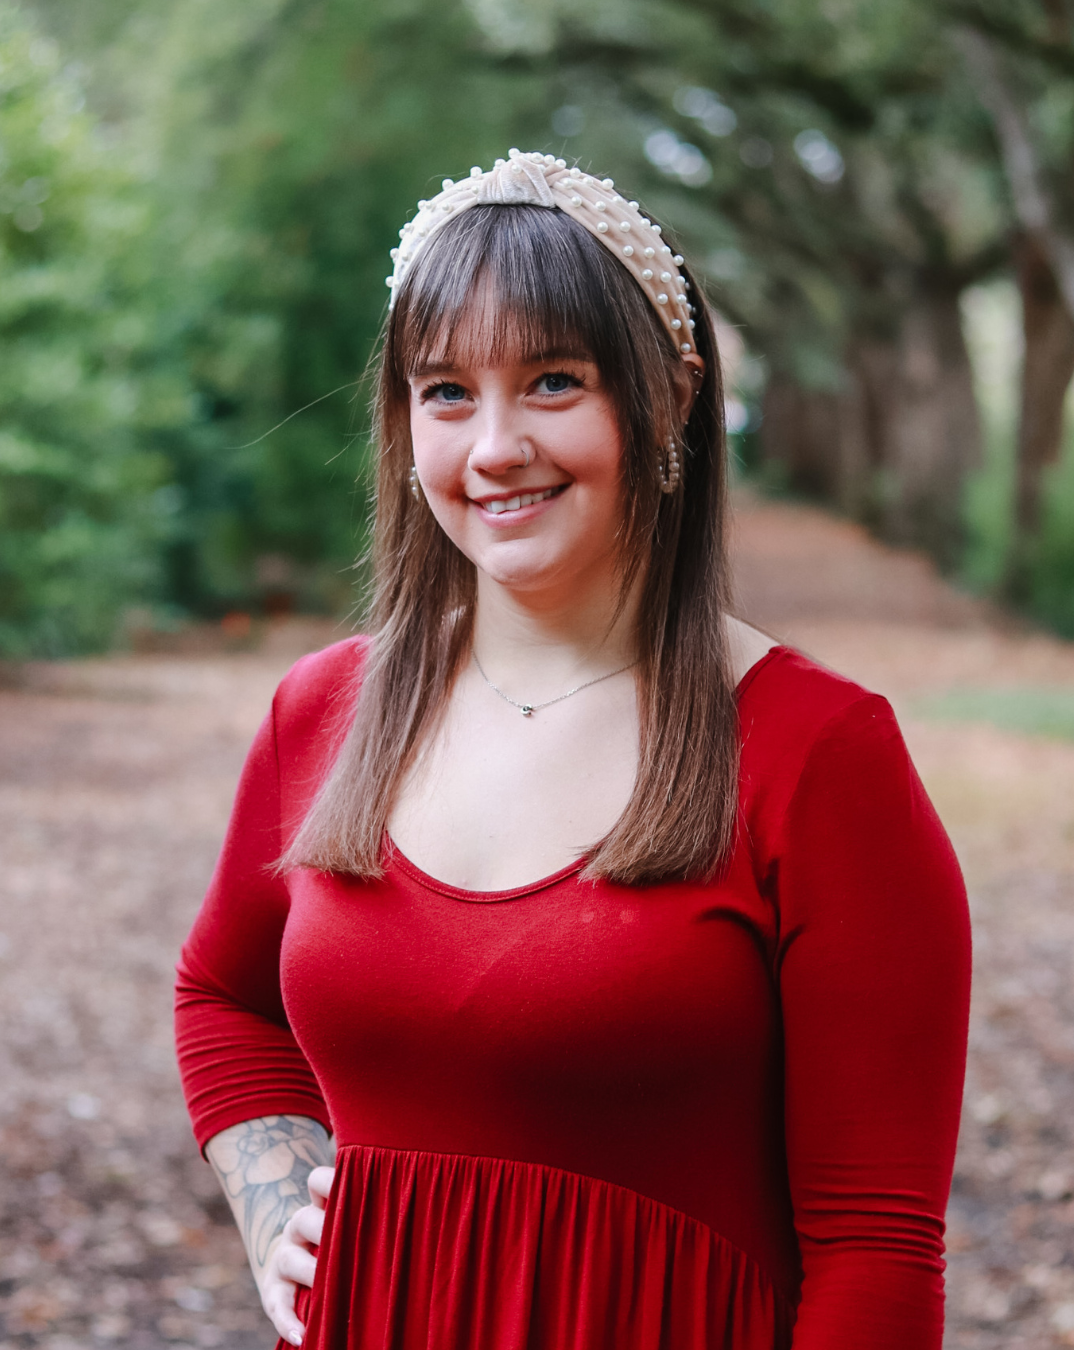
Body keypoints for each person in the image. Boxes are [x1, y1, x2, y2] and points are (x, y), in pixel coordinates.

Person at [174, 149, 971, 1350]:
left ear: (672, 398)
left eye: (552, 381)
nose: (494, 446)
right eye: (445, 392)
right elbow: (224, 997)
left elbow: (876, 1252)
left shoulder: (820, 756)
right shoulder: (326, 711)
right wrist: (277, 1195)